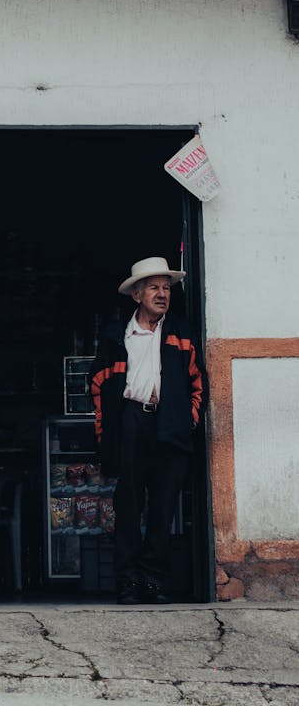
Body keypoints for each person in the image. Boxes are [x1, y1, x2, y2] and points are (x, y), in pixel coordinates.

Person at [90, 256, 207, 605]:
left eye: (167, 288)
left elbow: (198, 381)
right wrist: (105, 432)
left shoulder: (180, 332)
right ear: (137, 295)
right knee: (128, 504)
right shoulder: (116, 336)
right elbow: (97, 385)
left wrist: (188, 421)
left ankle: (153, 580)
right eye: (154, 287)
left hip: (169, 422)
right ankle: (127, 580)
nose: (162, 294)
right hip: (131, 421)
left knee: (164, 504)